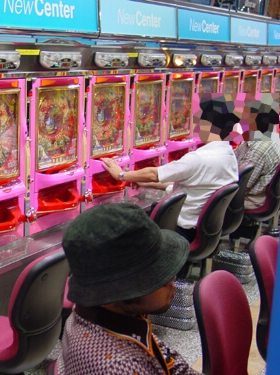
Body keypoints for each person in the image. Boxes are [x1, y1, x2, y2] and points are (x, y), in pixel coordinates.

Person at [57, 203, 200, 374]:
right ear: (124, 290)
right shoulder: (121, 367)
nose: (173, 278)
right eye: (160, 277)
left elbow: (170, 361)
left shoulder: (98, 314)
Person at [102, 97, 239, 242]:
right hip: (204, 229)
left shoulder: (198, 158)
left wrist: (121, 174)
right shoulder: (228, 154)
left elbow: (153, 174)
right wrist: (145, 183)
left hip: (180, 230)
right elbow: (193, 186)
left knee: (123, 225)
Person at [234, 141, 280, 210]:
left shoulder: (258, 150)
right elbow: (235, 154)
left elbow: (242, 185)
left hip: (251, 199)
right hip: (256, 192)